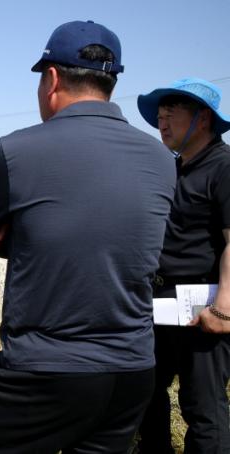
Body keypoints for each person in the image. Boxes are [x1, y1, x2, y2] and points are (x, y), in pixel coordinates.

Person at [0, 20, 176, 453]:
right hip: (132, 373)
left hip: (43, 369)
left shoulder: (15, 151)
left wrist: (29, 229)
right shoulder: (162, 158)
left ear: (51, 79)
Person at [136, 78, 230, 453]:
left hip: (204, 307)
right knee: (146, 391)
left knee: (202, 406)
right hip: (161, 302)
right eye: (159, 116)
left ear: (203, 118)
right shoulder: (174, 168)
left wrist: (223, 309)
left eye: (171, 114)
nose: (162, 123)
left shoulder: (224, 167)